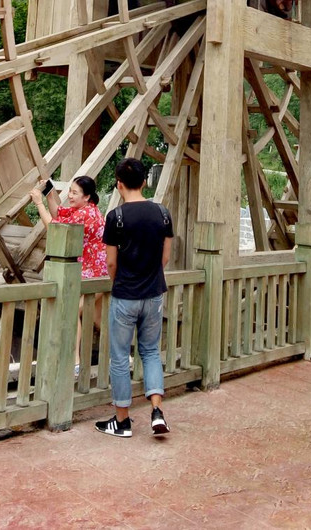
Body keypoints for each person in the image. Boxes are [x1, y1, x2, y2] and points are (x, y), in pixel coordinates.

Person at [95, 157, 173, 439]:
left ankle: (123, 421)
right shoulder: (163, 213)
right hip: (153, 295)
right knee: (151, 352)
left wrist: (121, 284)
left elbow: (111, 263)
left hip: (125, 295)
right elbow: (165, 257)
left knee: (119, 357)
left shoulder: (115, 217)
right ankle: (156, 411)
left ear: (118, 184)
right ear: (144, 182)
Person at [31, 175, 108, 370]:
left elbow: (55, 228)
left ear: (87, 196)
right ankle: (122, 355)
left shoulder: (86, 215)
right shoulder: (83, 209)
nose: (70, 196)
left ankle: (75, 362)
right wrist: (49, 194)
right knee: (98, 318)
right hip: (98, 273)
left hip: (95, 275)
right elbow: (59, 213)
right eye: (70, 191)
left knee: (73, 311)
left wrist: (38, 203)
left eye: (75, 193)